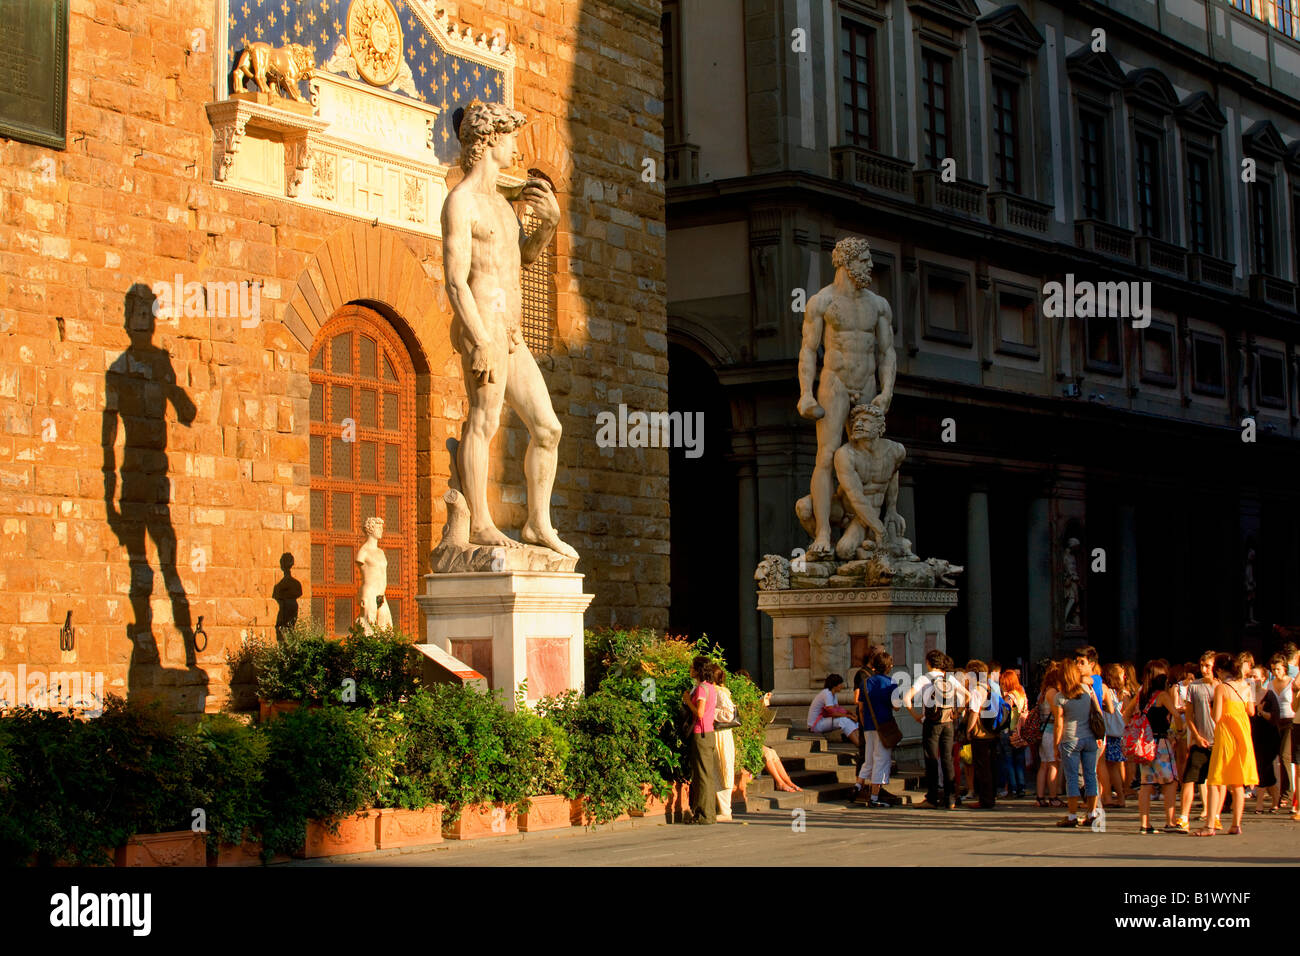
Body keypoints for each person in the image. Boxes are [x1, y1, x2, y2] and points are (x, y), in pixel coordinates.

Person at [1198, 653, 1257, 836]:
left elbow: (1216, 717)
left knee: (1215, 780)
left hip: (1225, 735)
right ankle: (1236, 824)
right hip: (1242, 735)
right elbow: (1251, 711)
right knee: (1237, 782)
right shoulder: (1247, 686)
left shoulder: (1222, 688)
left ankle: (1209, 825)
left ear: (1220, 670)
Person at [1125, 659, 1181, 833]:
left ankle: (1145, 823)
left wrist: (1132, 729)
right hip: (1161, 743)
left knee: (1146, 783)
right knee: (1170, 782)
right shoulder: (1162, 696)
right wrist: (1178, 732)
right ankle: (1170, 822)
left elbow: (1125, 713)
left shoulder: (1141, 694)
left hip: (1144, 745)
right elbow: (1176, 716)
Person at [1052, 657, 1108, 828]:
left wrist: (1056, 745)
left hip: (1070, 740)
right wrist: (1100, 735)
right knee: (1091, 775)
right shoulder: (1086, 689)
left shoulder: (1060, 697)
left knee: (1072, 778)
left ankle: (1072, 815)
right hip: (1090, 737)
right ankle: (1092, 813)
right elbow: (1097, 711)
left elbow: (1059, 723)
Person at [904, 650, 961, 810]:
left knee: (931, 759)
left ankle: (932, 797)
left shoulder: (924, 679)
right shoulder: (950, 678)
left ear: (929, 662)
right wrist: (956, 713)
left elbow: (907, 698)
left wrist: (916, 716)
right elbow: (967, 696)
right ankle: (950, 799)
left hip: (931, 722)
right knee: (947, 759)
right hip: (948, 722)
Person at [1174, 651, 1217, 832]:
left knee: (1217, 781)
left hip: (1219, 739)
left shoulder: (1221, 686)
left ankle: (1214, 815)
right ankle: (1184, 816)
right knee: (1190, 777)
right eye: (1202, 665)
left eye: (1208, 665)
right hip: (1200, 740)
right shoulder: (1194, 687)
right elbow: (1189, 715)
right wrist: (1196, 736)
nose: (1204, 669)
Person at [856, 649, 902, 808]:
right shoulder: (891, 683)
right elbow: (897, 707)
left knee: (868, 759)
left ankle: (857, 787)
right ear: (888, 667)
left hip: (868, 725)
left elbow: (861, 707)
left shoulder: (865, 682)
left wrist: (863, 723)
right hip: (884, 726)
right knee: (881, 760)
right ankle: (874, 796)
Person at [683, 656, 718, 825]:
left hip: (701, 732)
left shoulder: (702, 688)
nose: (690, 670)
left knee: (702, 776)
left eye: (692, 667)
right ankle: (708, 813)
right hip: (710, 732)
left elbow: (700, 712)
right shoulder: (712, 687)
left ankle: (704, 814)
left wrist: (688, 701)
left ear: (698, 670)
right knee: (707, 775)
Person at [963, 660, 998, 809]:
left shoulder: (977, 690)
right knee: (990, 767)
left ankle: (985, 799)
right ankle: (990, 796)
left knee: (982, 768)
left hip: (981, 733)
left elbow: (974, 712)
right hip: (991, 732)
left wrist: (969, 730)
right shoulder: (989, 687)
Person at [1250, 664, 1281, 814]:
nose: (1252, 679)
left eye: (1255, 676)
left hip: (1268, 738)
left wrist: (1261, 711)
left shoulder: (1269, 695)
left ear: (1263, 678)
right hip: (1253, 737)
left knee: (1263, 769)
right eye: (1250, 676)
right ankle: (1276, 801)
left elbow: (1274, 718)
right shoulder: (1247, 695)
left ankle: (1259, 804)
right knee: (1267, 773)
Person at [1266, 653, 1294, 809]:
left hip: (1290, 721)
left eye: (1278, 669)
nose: (1275, 672)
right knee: (1273, 758)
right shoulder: (1270, 684)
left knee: (1285, 756)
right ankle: (1275, 793)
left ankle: (1287, 794)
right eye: (1273, 669)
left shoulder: (1292, 683)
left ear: (1284, 668)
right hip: (1275, 722)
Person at [1101, 663, 1131, 808]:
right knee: (1115, 766)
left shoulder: (1107, 692)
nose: (1124, 677)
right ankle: (1120, 795)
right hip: (1119, 733)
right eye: (1121, 674)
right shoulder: (1124, 694)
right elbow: (1128, 714)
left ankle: (1119, 796)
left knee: (1110, 766)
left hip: (1109, 732)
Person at [711, 663, 737, 822]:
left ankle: (725, 810)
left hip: (721, 734)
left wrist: (710, 712)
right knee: (718, 769)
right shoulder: (717, 691)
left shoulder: (720, 693)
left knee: (723, 769)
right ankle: (721, 808)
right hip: (717, 734)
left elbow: (729, 713)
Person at [1035, 661, 1063, 808]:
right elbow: (1058, 715)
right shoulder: (1053, 693)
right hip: (1051, 731)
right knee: (1053, 764)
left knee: (1044, 764)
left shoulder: (1043, 691)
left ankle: (1040, 797)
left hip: (1044, 731)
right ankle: (1053, 797)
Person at [807, 674, 861, 747]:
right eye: (840, 684)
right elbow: (832, 713)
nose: (842, 686)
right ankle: (859, 745)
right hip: (816, 725)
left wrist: (849, 713)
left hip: (823, 721)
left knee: (851, 720)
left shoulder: (833, 694)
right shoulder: (827, 693)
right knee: (844, 721)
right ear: (834, 685)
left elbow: (838, 709)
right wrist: (848, 716)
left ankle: (861, 744)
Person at [1000, 668, 1029, 798]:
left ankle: (1013, 787)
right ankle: (1021, 787)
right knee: (1019, 760)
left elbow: (1005, 715)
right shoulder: (1022, 693)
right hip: (1021, 730)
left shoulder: (1009, 697)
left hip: (1010, 730)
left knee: (1009, 759)